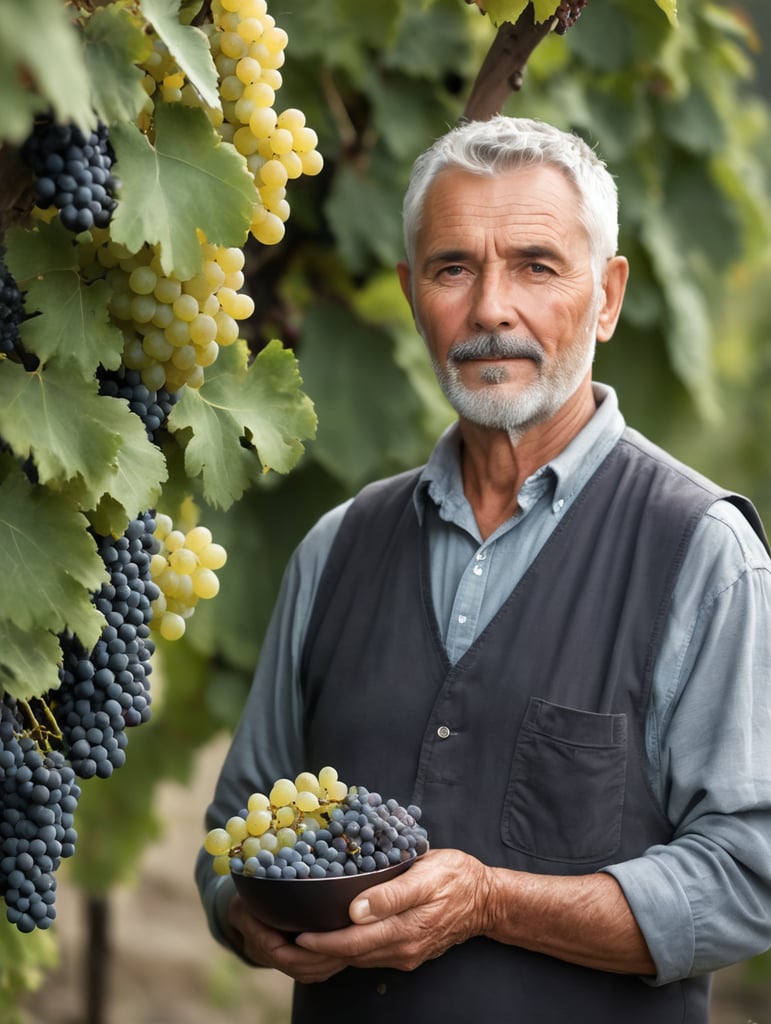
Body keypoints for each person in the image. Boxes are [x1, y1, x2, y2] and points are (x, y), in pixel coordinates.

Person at [195, 115, 771, 1023]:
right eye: (453, 267)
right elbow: (235, 831)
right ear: (411, 292)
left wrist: (492, 903)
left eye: (536, 266)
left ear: (608, 296)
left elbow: (747, 877)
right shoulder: (335, 549)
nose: (490, 308)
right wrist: (245, 913)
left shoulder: (701, 554)